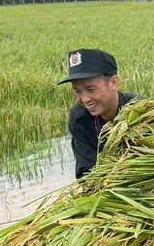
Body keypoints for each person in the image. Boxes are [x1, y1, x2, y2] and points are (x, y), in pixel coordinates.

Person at [58, 48, 140, 179]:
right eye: (77, 91)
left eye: (91, 89)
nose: (85, 99)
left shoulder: (141, 110)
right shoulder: (79, 117)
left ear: (113, 82)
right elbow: (85, 173)